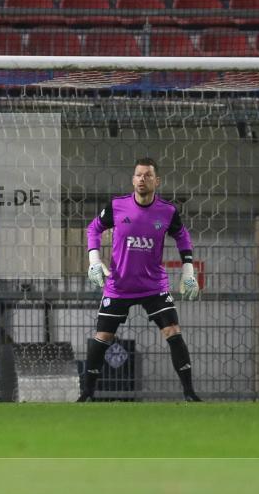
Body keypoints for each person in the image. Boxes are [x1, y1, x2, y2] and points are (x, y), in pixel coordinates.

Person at [81, 157, 202, 402]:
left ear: (157, 181)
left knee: (172, 331)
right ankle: (86, 395)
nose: (142, 179)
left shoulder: (167, 211)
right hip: (119, 285)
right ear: (132, 180)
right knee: (103, 337)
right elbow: (93, 229)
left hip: (153, 286)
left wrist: (188, 271)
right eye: (138, 175)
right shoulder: (117, 206)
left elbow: (182, 236)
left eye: (147, 175)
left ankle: (190, 394)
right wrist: (94, 260)